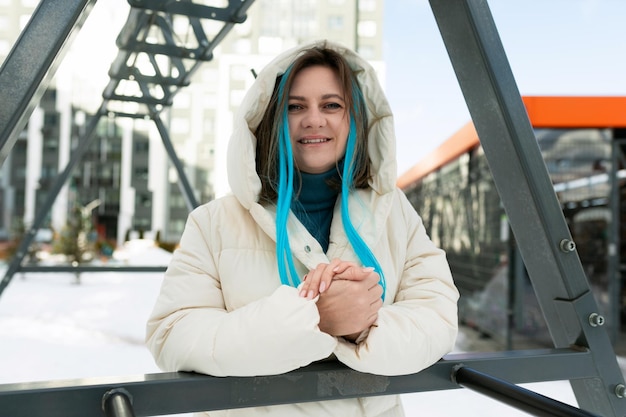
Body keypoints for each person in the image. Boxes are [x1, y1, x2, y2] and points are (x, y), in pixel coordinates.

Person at [146, 39, 459, 417]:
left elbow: (438, 317)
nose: (314, 119)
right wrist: (315, 319)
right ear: (273, 118)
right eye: (296, 107)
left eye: (332, 105)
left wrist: (362, 327)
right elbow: (174, 336)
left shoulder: (395, 212)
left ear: (354, 119)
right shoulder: (214, 222)